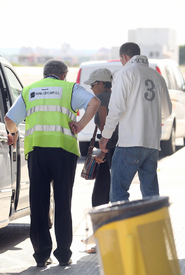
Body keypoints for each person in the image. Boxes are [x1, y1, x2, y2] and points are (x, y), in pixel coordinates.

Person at [4, 60, 100, 267]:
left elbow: (9, 119)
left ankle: (41, 256)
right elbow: (94, 102)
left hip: (36, 152)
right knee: (63, 202)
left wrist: (12, 134)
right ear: (64, 74)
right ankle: (64, 255)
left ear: (45, 73)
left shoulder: (29, 90)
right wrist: (80, 124)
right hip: (63, 152)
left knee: (38, 205)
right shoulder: (69, 88)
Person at [99, 42, 172, 202]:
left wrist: (105, 136)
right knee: (151, 194)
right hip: (152, 144)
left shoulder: (125, 74)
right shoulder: (157, 76)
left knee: (119, 192)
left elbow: (116, 109)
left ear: (124, 57)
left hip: (129, 143)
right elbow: (167, 111)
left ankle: (124, 227)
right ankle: (153, 226)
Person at [83, 68, 118, 207]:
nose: (91, 88)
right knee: (114, 190)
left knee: (100, 195)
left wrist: (103, 152)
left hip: (109, 149)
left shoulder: (101, 98)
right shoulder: (116, 96)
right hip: (118, 148)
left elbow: (104, 125)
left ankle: (102, 223)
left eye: (92, 85)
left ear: (101, 83)